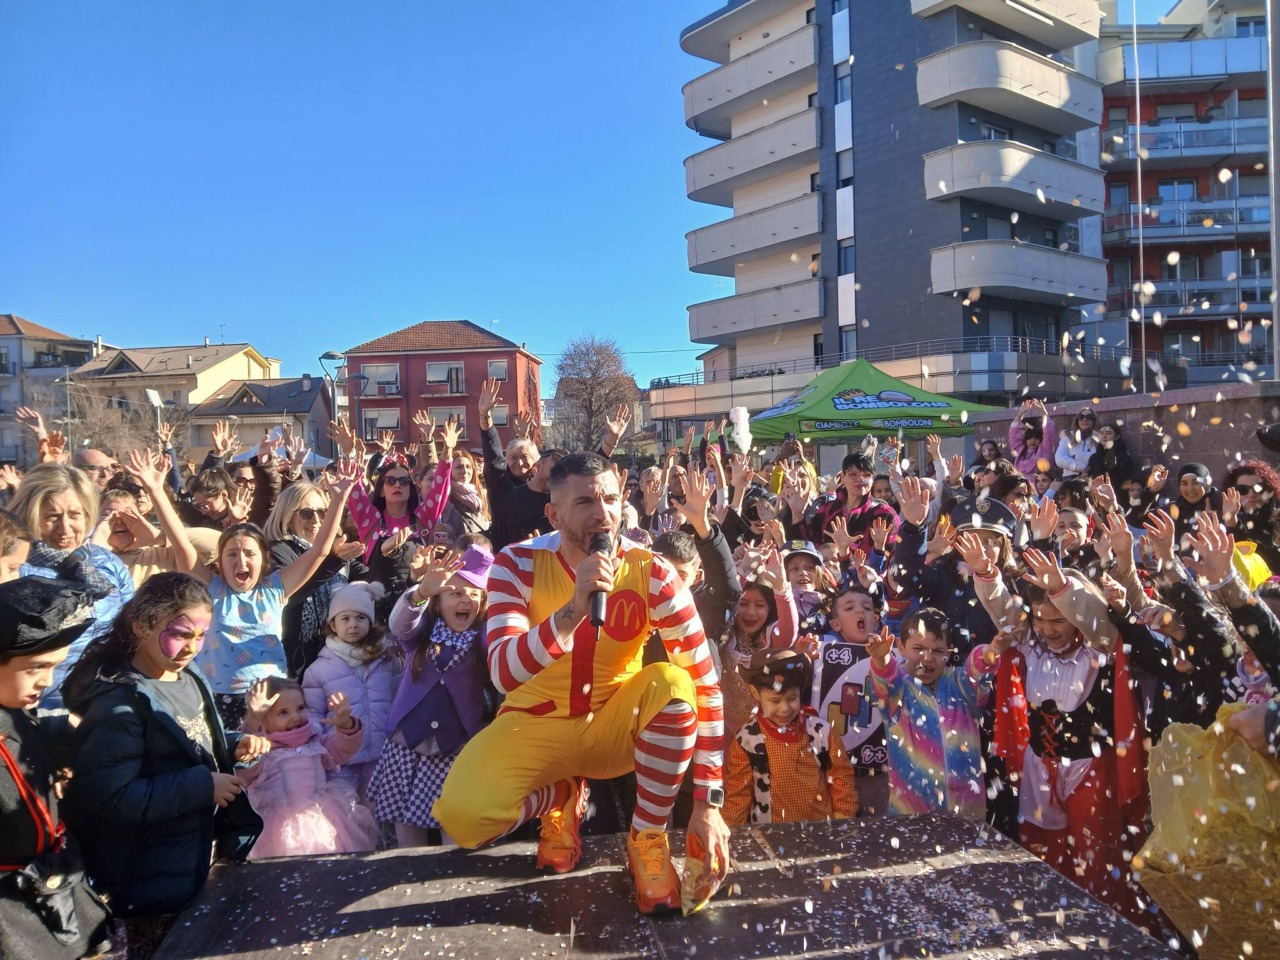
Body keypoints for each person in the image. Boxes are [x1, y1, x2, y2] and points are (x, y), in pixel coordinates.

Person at [431, 452, 730, 916]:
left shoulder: (654, 571)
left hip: (614, 725)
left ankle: (648, 837)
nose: (602, 514)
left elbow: (705, 683)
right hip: (534, 726)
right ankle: (563, 794)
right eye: (585, 501)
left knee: (674, 684)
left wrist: (709, 801)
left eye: (610, 498)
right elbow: (503, 672)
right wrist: (572, 611)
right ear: (553, 514)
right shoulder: (516, 563)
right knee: (463, 817)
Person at [62, 573, 265, 956]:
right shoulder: (118, 705)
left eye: (201, 636)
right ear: (142, 625)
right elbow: (110, 799)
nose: (192, 646)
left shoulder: (188, 679)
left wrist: (232, 746)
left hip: (192, 866)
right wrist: (203, 786)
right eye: (181, 633)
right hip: (147, 882)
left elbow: (188, 742)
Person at [960, 538, 1150, 927]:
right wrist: (986, 574)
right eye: (1041, 619)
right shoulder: (1029, 640)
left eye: (1058, 619)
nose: (1048, 629)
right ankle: (1049, 918)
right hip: (1039, 761)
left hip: (1088, 764)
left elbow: (1094, 617)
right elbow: (1005, 611)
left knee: (1094, 848)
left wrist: (1065, 590)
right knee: (1043, 845)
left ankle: (1104, 924)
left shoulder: (1099, 644)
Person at [173, 462, 359, 728]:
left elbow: (319, 551)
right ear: (220, 561)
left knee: (279, 765)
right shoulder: (212, 589)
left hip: (275, 700)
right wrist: (157, 491)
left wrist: (339, 499)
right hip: (221, 699)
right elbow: (181, 546)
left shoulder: (274, 589)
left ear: (264, 558)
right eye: (232, 554)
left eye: (250, 554)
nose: (241, 561)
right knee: (236, 767)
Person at [0, 577, 113, 960]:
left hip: (47, 889)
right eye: (36, 667)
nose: (46, 681)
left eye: (54, 667)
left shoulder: (16, 709)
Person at [370, 545, 493, 848]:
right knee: (407, 827)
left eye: (474, 594)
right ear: (438, 603)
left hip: (455, 747)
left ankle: (451, 887)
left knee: (453, 823)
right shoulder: (421, 632)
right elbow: (400, 623)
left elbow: (505, 642)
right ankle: (408, 881)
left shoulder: (483, 638)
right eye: (455, 593)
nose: (465, 599)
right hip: (407, 744)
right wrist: (421, 591)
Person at [8, 463, 135, 710]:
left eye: (74, 515)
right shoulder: (15, 568)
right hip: (39, 706)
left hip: (108, 698)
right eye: (51, 517)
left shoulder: (107, 562)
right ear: (29, 514)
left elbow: (131, 627)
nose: (64, 529)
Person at [866, 608, 998, 820]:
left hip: (966, 811)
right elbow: (885, 679)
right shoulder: (898, 691)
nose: (927, 658)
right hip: (911, 812)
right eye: (918, 648)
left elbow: (979, 671)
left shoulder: (962, 686)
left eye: (937, 651)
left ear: (949, 652)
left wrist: (991, 652)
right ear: (900, 646)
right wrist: (881, 659)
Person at [237, 677, 379, 859]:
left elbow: (343, 750)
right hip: (278, 827)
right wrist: (252, 723)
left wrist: (345, 724)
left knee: (331, 863)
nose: (295, 717)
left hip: (324, 819)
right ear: (263, 721)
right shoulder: (262, 748)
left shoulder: (314, 739)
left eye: (300, 708)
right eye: (283, 713)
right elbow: (244, 770)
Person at [722, 648, 857, 825]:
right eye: (775, 701)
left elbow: (841, 779)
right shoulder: (746, 740)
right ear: (755, 693)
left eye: (792, 698)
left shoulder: (820, 732)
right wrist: (732, 836)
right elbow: (737, 795)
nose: (785, 708)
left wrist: (842, 822)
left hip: (820, 830)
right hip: (768, 834)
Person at [302, 581, 401, 803]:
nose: (353, 625)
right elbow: (312, 714)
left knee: (374, 817)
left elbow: (398, 700)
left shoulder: (386, 660)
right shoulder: (318, 670)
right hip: (340, 762)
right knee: (344, 817)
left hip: (380, 757)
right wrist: (324, 745)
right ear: (333, 625)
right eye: (345, 618)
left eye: (360, 618)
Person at [263, 480, 367, 678]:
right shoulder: (277, 552)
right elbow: (291, 596)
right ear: (287, 516)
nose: (317, 520)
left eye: (322, 512)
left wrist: (390, 556)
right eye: (306, 513)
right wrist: (332, 562)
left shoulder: (337, 550)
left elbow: (370, 581)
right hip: (297, 663)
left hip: (337, 657)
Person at [718, 548, 797, 752]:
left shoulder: (769, 638)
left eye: (760, 605)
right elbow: (722, 602)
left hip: (762, 729)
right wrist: (743, 569)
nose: (751, 612)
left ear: (770, 609)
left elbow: (789, 633)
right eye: (743, 604)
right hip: (721, 727)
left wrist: (781, 588)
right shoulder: (725, 635)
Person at [487, 447, 567, 551]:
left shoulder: (562, 504)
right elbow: (494, 466)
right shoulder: (511, 496)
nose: (558, 477)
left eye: (563, 473)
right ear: (538, 466)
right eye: (553, 470)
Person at [1007, 399, 1056, 482]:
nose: (1032, 441)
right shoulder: (1020, 450)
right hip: (1020, 485)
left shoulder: (1044, 450)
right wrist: (1019, 415)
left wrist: (1043, 413)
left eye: (1036, 438)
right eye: (1029, 438)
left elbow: (1049, 432)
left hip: (1038, 488)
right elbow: (1013, 433)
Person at [1086, 421, 1135, 487]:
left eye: (1108, 433)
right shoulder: (1094, 458)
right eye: (1101, 433)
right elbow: (1089, 477)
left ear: (1116, 437)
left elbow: (1126, 480)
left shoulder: (1122, 457)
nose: (1104, 436)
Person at [1054, 407, 1098, 481]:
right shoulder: (1068, 437)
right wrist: (1084, 467)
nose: (1085, 420)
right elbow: (1060, 459)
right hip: (1070, 479)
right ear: (1077, 420)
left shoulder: (1100, 439)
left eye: (1089, 417)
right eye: (1081, 417)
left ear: (1094, 420)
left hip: (1092, 478)